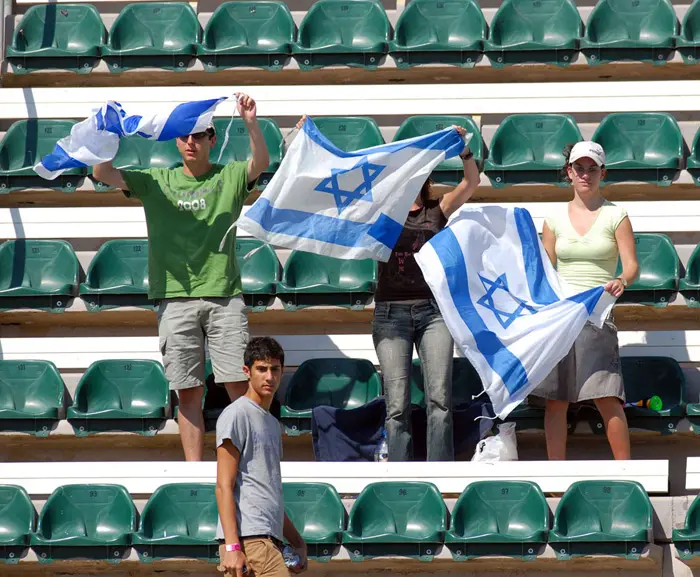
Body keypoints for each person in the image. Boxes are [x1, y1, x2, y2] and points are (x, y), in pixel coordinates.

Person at [92, 93, 269, 462]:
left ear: (212, 140)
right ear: (176, 140)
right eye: (186, 136)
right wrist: (108, 134)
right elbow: (101, 172)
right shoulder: (157, 179)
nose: (192, 142)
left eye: (200, 135)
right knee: (188, 392)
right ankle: (195, 472)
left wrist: (251, 122)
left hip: (224, 295)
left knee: (238, 386)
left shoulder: (230, 175)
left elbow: (260, 163)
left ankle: (247, 467)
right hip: (174, 297)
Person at [372, 126, 480, 461]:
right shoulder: (381, 211)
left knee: (440, 401)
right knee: (397, 404)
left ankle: (439, 475)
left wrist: (463, 151)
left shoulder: (437, 209)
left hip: (434, 313)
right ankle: (400, 478)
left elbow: (471, 183)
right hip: (390, 313)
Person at [534, 141, 639, 460]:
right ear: (569, 172)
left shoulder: (616, 214)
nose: (585, 174)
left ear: (602, 173)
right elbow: (545, 269)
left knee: (607, 397)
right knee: (556, 401)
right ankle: (555, 480)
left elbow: (631, 265)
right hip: (563, 318)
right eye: (579, 168)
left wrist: (622, 280)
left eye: (592, 168)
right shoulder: (552, 218)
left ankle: (626, 473)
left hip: (598, 316)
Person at [216, 337, 307, 577]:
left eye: (275, 369)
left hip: (269, 540)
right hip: (250, 542)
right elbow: (223, 486)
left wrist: (297, 541)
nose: (269, 377)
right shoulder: (236, 414)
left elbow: (270, 492)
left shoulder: (272, 424)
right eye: (262, 369)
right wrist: (232, 547)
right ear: (247, 371)